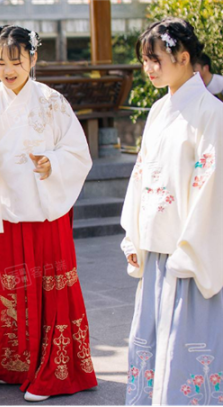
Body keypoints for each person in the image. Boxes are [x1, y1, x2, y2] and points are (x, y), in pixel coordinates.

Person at [0, 25, 97, 402]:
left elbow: (77, 152)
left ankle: (52, 371)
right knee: (3, 289)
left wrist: (53, 163)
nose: (8, 69)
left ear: (33, 59)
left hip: (44, 212)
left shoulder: (51, 101)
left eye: (16, 61)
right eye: (1, 62)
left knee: (47, 288)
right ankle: (5, 366)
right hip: (3, 212)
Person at [120, 17, 223, 405]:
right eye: (145, 60)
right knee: (149, 340)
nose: (148, 68)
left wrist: (190, 250)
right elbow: (141, 174)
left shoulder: (212, 113)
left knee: (186, 344)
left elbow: (211, 184)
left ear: (183, 57)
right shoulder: (159, 111)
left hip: (189, 253)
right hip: (155, 249)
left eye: (155, 59)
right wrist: (134, 234)